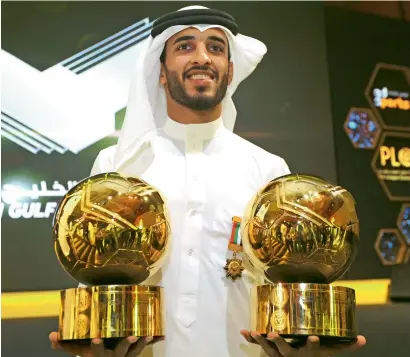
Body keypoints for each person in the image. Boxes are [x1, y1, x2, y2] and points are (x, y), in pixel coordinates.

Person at [49, 5, 366, 357]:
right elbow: (94, 279)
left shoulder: (267, 168)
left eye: (215, 47)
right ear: (160, 71)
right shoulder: (119, 165)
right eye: (185, 46)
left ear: (229, 71)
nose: (202, 57)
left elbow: (287, 285)